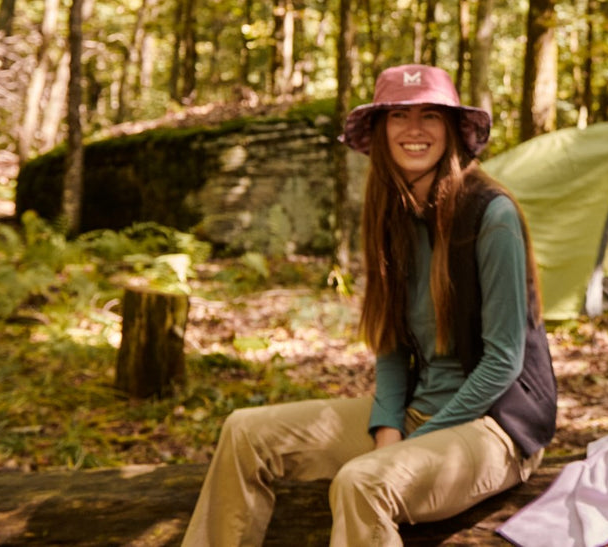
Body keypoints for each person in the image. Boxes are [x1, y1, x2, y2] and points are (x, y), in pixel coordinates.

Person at [182, 63, 554, 547]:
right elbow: (392, 345)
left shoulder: (491, 215)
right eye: (399, 115)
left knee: (363, 482)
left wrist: (412, 444)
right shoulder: (393, 216)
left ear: (452, 131)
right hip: (424, 412)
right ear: (381, 131)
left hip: (495, 428)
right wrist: (387, 425)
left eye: (431, 116)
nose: (415, 130)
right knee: (244, 432)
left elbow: (503, 360)